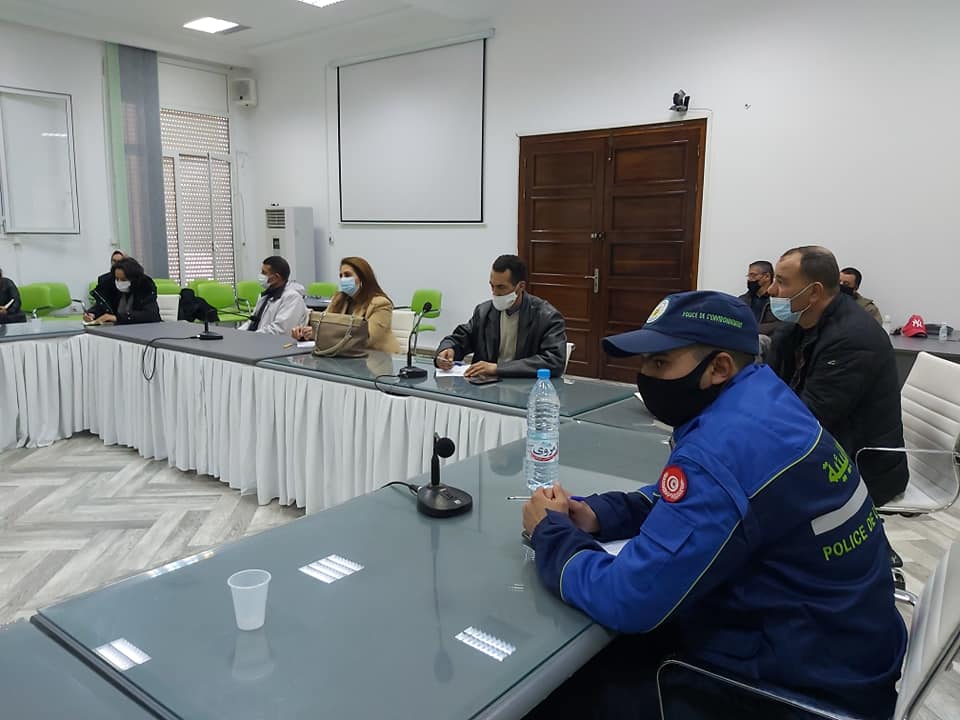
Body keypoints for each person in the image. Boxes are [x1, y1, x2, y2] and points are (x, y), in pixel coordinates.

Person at [522, 290, 905, 720]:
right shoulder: (764, 399)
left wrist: (550, 534)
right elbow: (695, 499)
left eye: (660, 363)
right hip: (844, 646)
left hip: (794, 688)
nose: (644, 377)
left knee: (554, 692)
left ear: (719, 367)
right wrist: (602, 514)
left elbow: (628, 598)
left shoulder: (724, 449)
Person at [766, 247, 908, 506]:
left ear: (814, 292)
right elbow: (767, 390)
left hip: (859, 466)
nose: (770, 290)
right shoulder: (795, 328)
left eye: (782, 282)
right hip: (825, 446)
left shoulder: (852, 339)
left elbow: (810, 420)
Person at [434, 255, 566, 378]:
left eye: (501, 287)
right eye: (492, 286)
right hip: (486, 387)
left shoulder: (546, 317)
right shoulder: (484, 311)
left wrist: (498, 368)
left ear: (521, 286)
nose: (495, 293)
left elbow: (554, 361)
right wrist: (447, 350)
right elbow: (461, 338)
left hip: (525, 387)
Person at [291, 256, 399, 353]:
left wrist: (318, 334)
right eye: (341, 276)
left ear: (363, 278)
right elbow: (323, 324)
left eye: (347, 275)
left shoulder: (380, 304)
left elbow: (366, 339)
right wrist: (304, 332)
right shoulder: (338, 299)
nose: (343, 279)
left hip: (375, 360)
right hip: (342, 356)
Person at [239, 256, 308, 336]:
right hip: (258, 338)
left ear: (276, 277)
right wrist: (238, 333)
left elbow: (281, 330)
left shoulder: (292, 298)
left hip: (273, 341)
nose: (261, 275)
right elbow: (252, 322)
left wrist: (251, 337)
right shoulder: (266, 295)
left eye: (264, 273)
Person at [84, 257, 160, 324]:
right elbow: (103, 305)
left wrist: (116, 318)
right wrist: (93, 314)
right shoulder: (111, 287)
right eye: (117, 279)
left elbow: (151, 315)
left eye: (123, 279)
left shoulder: (145, 288)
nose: (119, 282)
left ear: (134, 279)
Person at [737, 260, 781, 335]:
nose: (749, 279)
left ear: (767, 276)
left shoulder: (780, 301)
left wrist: (754, 329)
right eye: (749, 276)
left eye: (753, 275)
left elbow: (784, 325)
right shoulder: (742, 300)